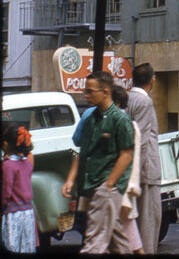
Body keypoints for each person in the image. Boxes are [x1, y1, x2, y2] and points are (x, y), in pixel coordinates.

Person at [62, 71, 134, 254]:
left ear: (105, 92)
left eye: (90, 92)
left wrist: (109, 184)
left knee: (94, 241)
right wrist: (70, 180)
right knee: (118, 241)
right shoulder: (90, 119)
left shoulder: (120, 119)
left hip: (106, 186)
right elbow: (83, 153)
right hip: (93, 184)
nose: (86, 96)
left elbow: (126, 155)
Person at [126, 62, 162, 254]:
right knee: (148, 222)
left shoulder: (127, 99)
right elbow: (141, 140)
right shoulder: (145, 102)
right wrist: (134, 175)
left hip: (135, 169)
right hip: (146, 170)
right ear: (152, 80)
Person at [113, 85, 145, 255]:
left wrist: (128, 185)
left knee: (128, 234)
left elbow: (130, 157)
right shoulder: (122, 122)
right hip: (120, 186)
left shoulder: (125, 124)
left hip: (120, 185)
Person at [2, 125, 37, 252]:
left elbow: (7, 190)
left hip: (13, 212)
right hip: (28, 211)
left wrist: (3, 204)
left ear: (5, 144)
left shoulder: (8, 165)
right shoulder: (27, 162)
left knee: (12, 246)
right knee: (26, 246)